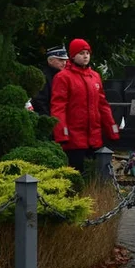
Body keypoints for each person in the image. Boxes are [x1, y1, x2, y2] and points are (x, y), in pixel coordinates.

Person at [50, 38, 119, 171]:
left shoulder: (95, 76)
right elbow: (58, 107)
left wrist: (112, 129)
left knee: (96, 174)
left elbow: (102, 105)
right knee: (77, 172)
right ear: (73, 56)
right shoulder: (63, 77)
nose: (85, 56)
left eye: (87, 53)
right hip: (74, 138)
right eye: (81, 53)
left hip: (94, 137)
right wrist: (62, 133)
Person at [30, 46, 68, 115]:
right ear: (50, 60)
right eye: (60, 60)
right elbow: (40, 101)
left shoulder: (64, 75)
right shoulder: (44, 76)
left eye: (65, 60)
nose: (64, 63)